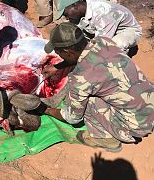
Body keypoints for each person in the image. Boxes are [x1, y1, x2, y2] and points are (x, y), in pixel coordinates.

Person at [39, 22, 154, 152]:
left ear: (67, 51)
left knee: (88, 101)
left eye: (58, 52)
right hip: (150, 103)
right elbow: (83, 57)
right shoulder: (102, 41)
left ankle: (106, 140)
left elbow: (71, 118)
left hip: (136, 127)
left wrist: (45, 109)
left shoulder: (80, 78)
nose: (59, 55)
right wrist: (57, 66)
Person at [54, 0, 142, 53]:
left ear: (75, 6)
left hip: (128, 31)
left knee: (111, 48)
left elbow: (101, 43)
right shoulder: (82, 4)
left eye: (66, 14)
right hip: (105, 28)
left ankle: (119, 67)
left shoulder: (103, 13)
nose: (66, 17)